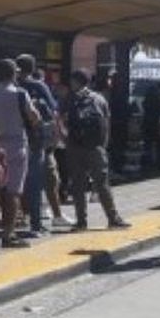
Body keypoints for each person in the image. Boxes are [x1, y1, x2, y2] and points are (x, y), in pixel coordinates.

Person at [61, 69, 131, 230]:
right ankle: (113, 218)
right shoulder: (99, 99)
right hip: (96, 147)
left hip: (75, 146)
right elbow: (106, 123)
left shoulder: (69, 99)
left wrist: (66, 140)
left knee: (78, 185)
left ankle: (81, 221)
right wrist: (103, 145)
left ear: (75, 82)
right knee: (102, 184)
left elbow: (60, 120)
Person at [0, 58, 37, 248]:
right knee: (14, 190)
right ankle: (8, 233)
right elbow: (33, 117)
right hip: (17, 144)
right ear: (14, 73)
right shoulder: (20, 94)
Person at [14, 54, 60, 237]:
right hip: (34, 140)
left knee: (16, 182)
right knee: (35, 181)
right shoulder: (37, 86)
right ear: (32, 68)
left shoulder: (7, 88)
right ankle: (36, 223)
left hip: (10, 140)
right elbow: (52, 110)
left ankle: (16, 218)